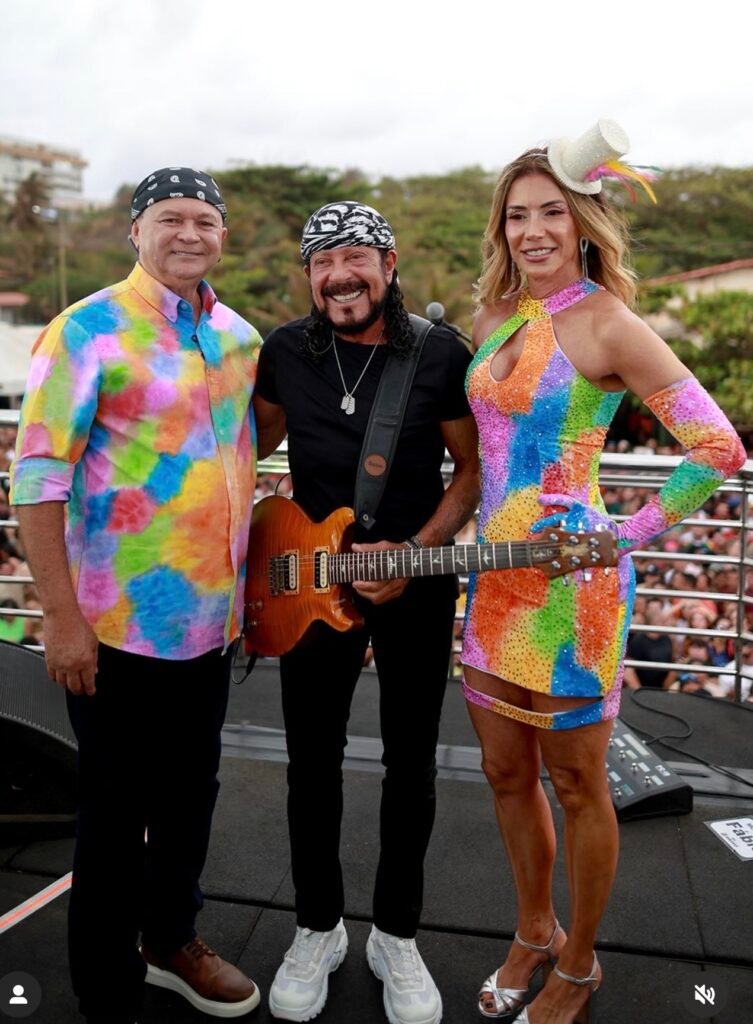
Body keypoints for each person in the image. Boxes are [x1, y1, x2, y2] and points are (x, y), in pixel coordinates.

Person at [460, 120, 746, 1024]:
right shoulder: (491, 318)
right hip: (493, 580)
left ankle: (579, 963)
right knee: (503, 771)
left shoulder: (610, 323)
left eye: (551, 211)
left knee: (579, 784)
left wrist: (626, 533)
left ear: (582, 220)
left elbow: (717, 447)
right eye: (516, 215)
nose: (532, 230)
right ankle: (532, 930)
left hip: (571, 588)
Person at [10, 168, 261, 1024]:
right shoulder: (85, 330)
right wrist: (59, 618)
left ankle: (170, 939)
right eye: (169, 217)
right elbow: (37, 481)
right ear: (136, 230)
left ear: (222, 234)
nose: (189, 233)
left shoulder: (238, 338)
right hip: (113, 629)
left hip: (211, 626)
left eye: (204, 219)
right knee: (113, 820)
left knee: (191, 799)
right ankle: (105, 988)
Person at [253, 201, 480, 1024]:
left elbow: (470, 470)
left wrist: (416, 550)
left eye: (355, 257)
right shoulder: (283, 351)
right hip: (310, 579)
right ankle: (317, 927)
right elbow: (243, 445)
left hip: (414, 577)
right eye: (322, 262)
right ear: (308, 277)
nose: (338, 275)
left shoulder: (440, 351)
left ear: (388, 264)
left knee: (411, 763)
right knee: (309, 761)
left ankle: (395, 934)